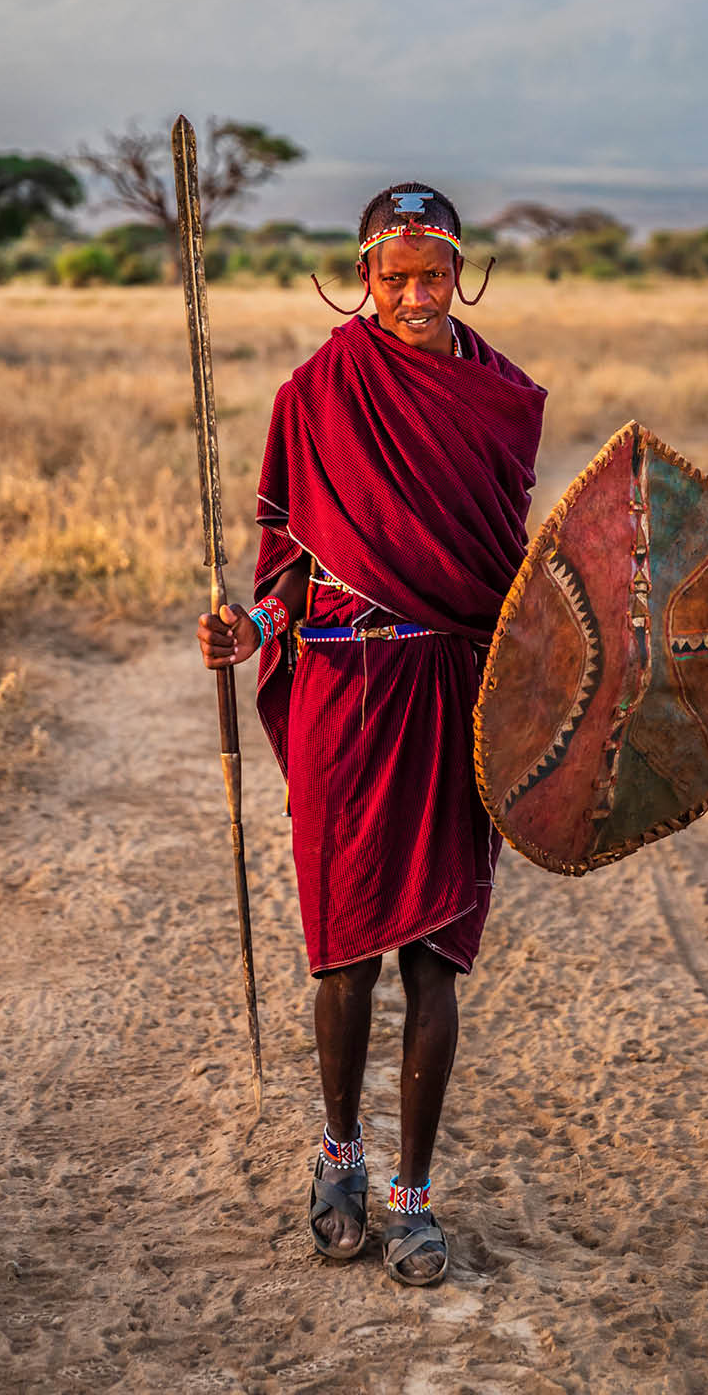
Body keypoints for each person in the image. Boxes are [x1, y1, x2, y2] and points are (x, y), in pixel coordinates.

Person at [197, 184, 545, 1285]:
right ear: (362, 275)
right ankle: (337, 1155)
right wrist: (249, 624)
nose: (409, 296)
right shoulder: (316, 390)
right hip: (346, 690)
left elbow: (516, 572)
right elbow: (289, 569)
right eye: (389, 277)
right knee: (344, 953)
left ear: (461, 271)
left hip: (453, 691)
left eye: (428, 275)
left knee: (434, 958)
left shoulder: (500, 401)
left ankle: (413, 1194)